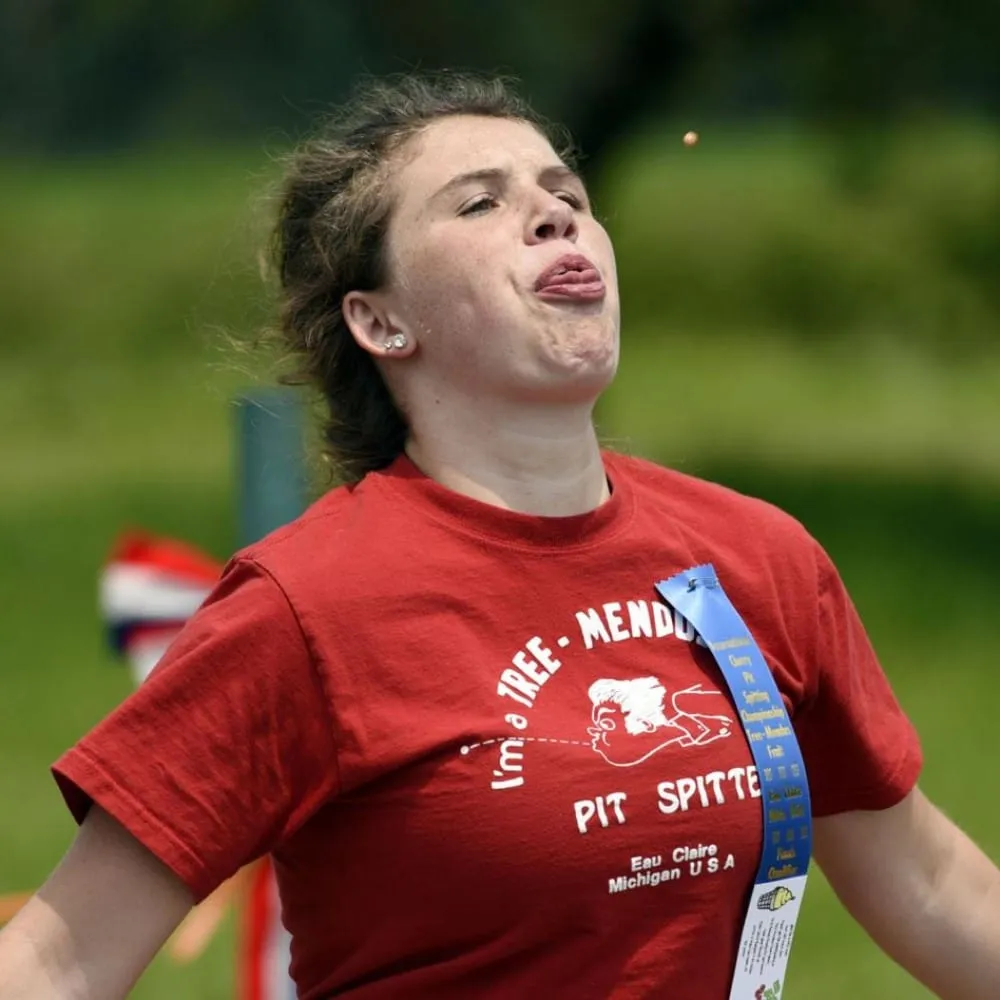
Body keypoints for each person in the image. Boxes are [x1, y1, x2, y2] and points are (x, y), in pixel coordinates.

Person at [0, 70, 997, 1000]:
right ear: (381, 321)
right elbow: (59, 958)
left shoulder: (752, 554)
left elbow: (929, 886)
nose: (555, 211)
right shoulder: (308, 607)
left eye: (565, 191)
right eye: (480, 203)